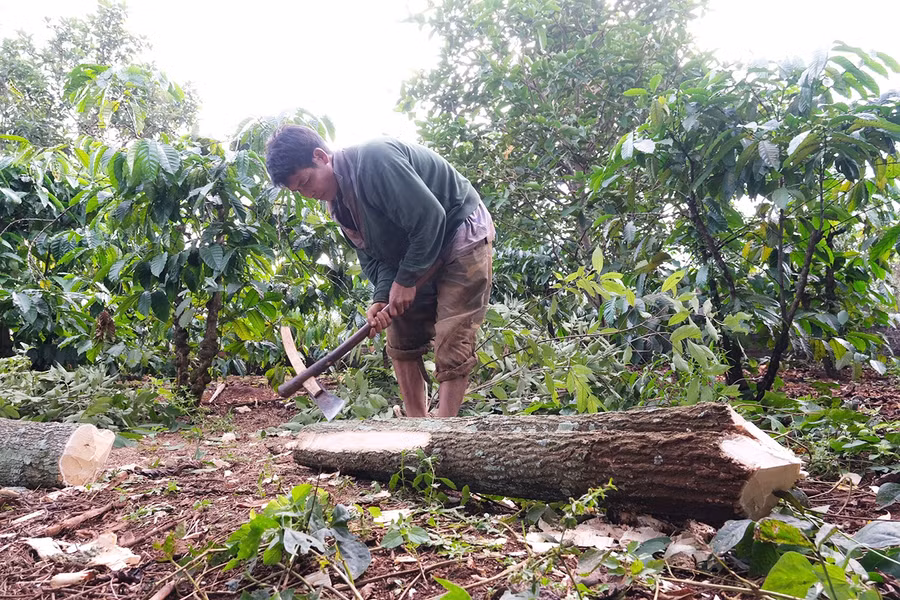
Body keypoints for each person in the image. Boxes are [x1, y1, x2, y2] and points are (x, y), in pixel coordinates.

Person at [265, 126, 494, 417]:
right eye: (299, 191)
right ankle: (416, 425)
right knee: (400, 336)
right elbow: (377, 258)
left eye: (307, 181)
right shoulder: (338, 209)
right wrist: (382, 297)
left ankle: (443, 429)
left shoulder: (375, 160)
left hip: (460, 232)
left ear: (321, 157)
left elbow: (430, 218)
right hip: (418, 249)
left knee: (452, 336)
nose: (309, 194)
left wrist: (407, 279)